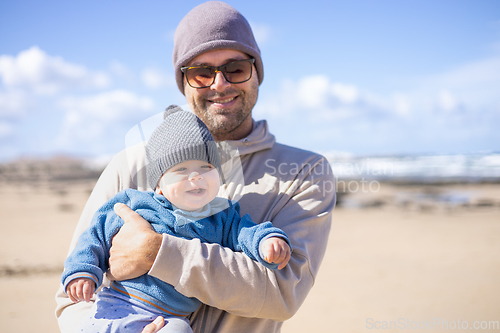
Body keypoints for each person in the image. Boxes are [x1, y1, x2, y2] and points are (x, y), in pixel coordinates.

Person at [55, 2, 336, 333]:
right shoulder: (131, 163)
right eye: (202, 72)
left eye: (235, 68)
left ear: (256, 72)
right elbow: (72, 297)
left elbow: (282, 294)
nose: (219, 84)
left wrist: (157, 252)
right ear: (183, 82)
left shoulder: (305, 172)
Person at [61, 107, 291, 333]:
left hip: (170, 318)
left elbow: (247, 232)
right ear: (159, 185)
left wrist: (266, 241)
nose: (196, 176)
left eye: (206, 167)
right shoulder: (136, 203)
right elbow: (95, 235)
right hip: (118, 304)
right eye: (181, 169)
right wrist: (83, 271)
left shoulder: (223, 216)